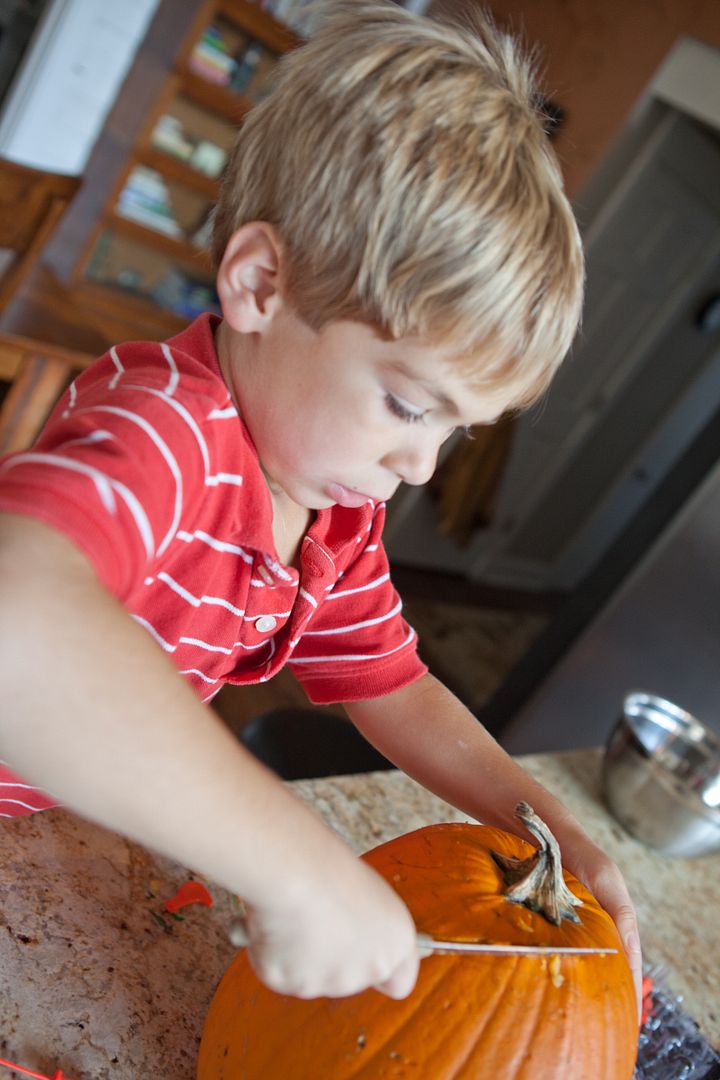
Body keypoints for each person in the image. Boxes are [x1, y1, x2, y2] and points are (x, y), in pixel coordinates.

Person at [0, 0, 642, 1012]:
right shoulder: (169, 431)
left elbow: (390, 684)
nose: (421, 464)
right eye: (402, 402)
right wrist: (296, 862)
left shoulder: (329, 509)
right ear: (260, 284)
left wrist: (551, 830)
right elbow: (17, 618)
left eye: (452, 429)